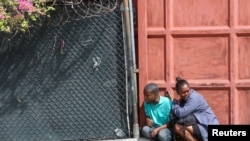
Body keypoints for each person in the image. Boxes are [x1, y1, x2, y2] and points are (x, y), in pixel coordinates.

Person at [172, 77, 220, 141]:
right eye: (183, 92)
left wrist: (174, 104)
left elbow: (181, 113)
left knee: (178, 127)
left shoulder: (194, 98)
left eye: (187, 91)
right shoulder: (183, 100)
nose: (186, 94)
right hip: (199, 123)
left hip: (206, 125)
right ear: (178, 93)